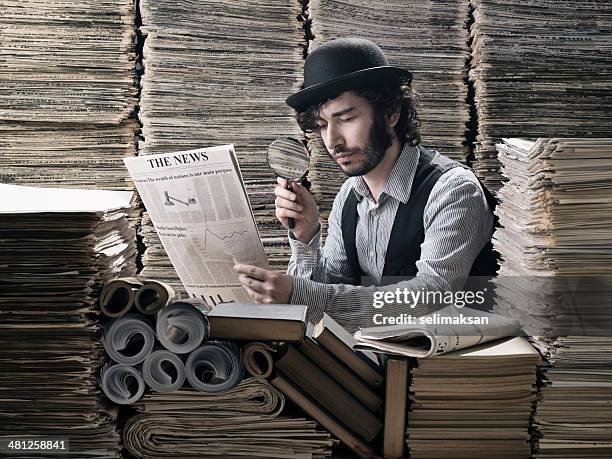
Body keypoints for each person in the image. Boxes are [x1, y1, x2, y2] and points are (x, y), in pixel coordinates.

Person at [234, 37, 495, 333]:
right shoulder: (349, 196)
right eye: (322, 126)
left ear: (391, 113)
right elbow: (329, 292)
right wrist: (306, 236)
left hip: (447, 368)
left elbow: (431, 297)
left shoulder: (453, 190)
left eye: (346, 119)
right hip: (376, 356)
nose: (332, 141)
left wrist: (299, 294)